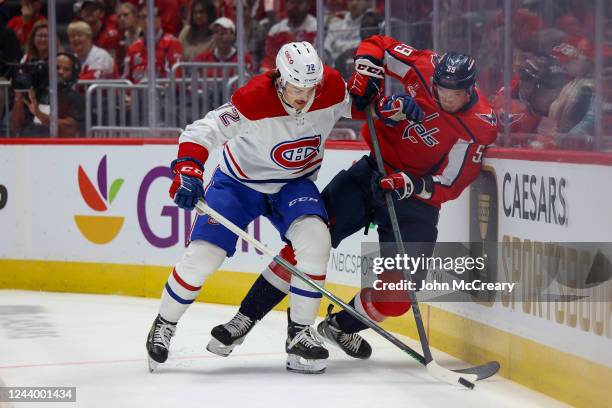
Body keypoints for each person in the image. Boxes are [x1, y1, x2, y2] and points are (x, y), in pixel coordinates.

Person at [207, 35, 499, 362]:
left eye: (454, 94)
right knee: (304, 246)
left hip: (415, 200)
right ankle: (244, 318)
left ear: (470, 89)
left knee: (398, 295)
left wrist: (413, 185)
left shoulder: (479, 124)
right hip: (370, 174)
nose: (444, 98)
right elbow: (379, 45)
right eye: (440, 90)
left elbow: (453, 182)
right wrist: (369, 72)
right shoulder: (424, 65)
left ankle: (339, 326)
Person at [144, 41, 420, 374]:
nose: (304, 95)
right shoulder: (254, 97)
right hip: (239, 185)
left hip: (293, 184)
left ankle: (299, 335)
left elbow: (355, 106)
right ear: (279, 78)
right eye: (296, 86)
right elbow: (204, 130)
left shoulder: (328, 87)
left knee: (317, 241)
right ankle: (164, 323)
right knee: (204, 256)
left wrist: (386, 105)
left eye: (310, 86)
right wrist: (188, 169)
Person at [9, 53, 85, 137]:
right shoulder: (33, 92)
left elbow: (69, 130)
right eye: (57, 67)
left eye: (66, 69)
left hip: (56, 147)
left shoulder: (74, 98)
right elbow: (15, 127)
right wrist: (18, 94)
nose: (60, 71)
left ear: (73, 74)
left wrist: (38, 114)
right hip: (29, 144)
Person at [125, 6, 183, 83]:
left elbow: (176, 77)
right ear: (138, 21)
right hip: (138, 93)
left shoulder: (172, 43)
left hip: (165, 93)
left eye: (151, 16)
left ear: (159, 19)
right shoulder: (133, 48)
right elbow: (127, 79)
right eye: (143, 17)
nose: (146, 21)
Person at [259, 0, 317, 72]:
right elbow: (269, 60)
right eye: (292, 2)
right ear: (286, 4)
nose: (295, 6)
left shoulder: (316, 27)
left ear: (308, 5)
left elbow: (312, 60)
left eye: (300, 3)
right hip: (279, 75)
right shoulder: (276, 30)